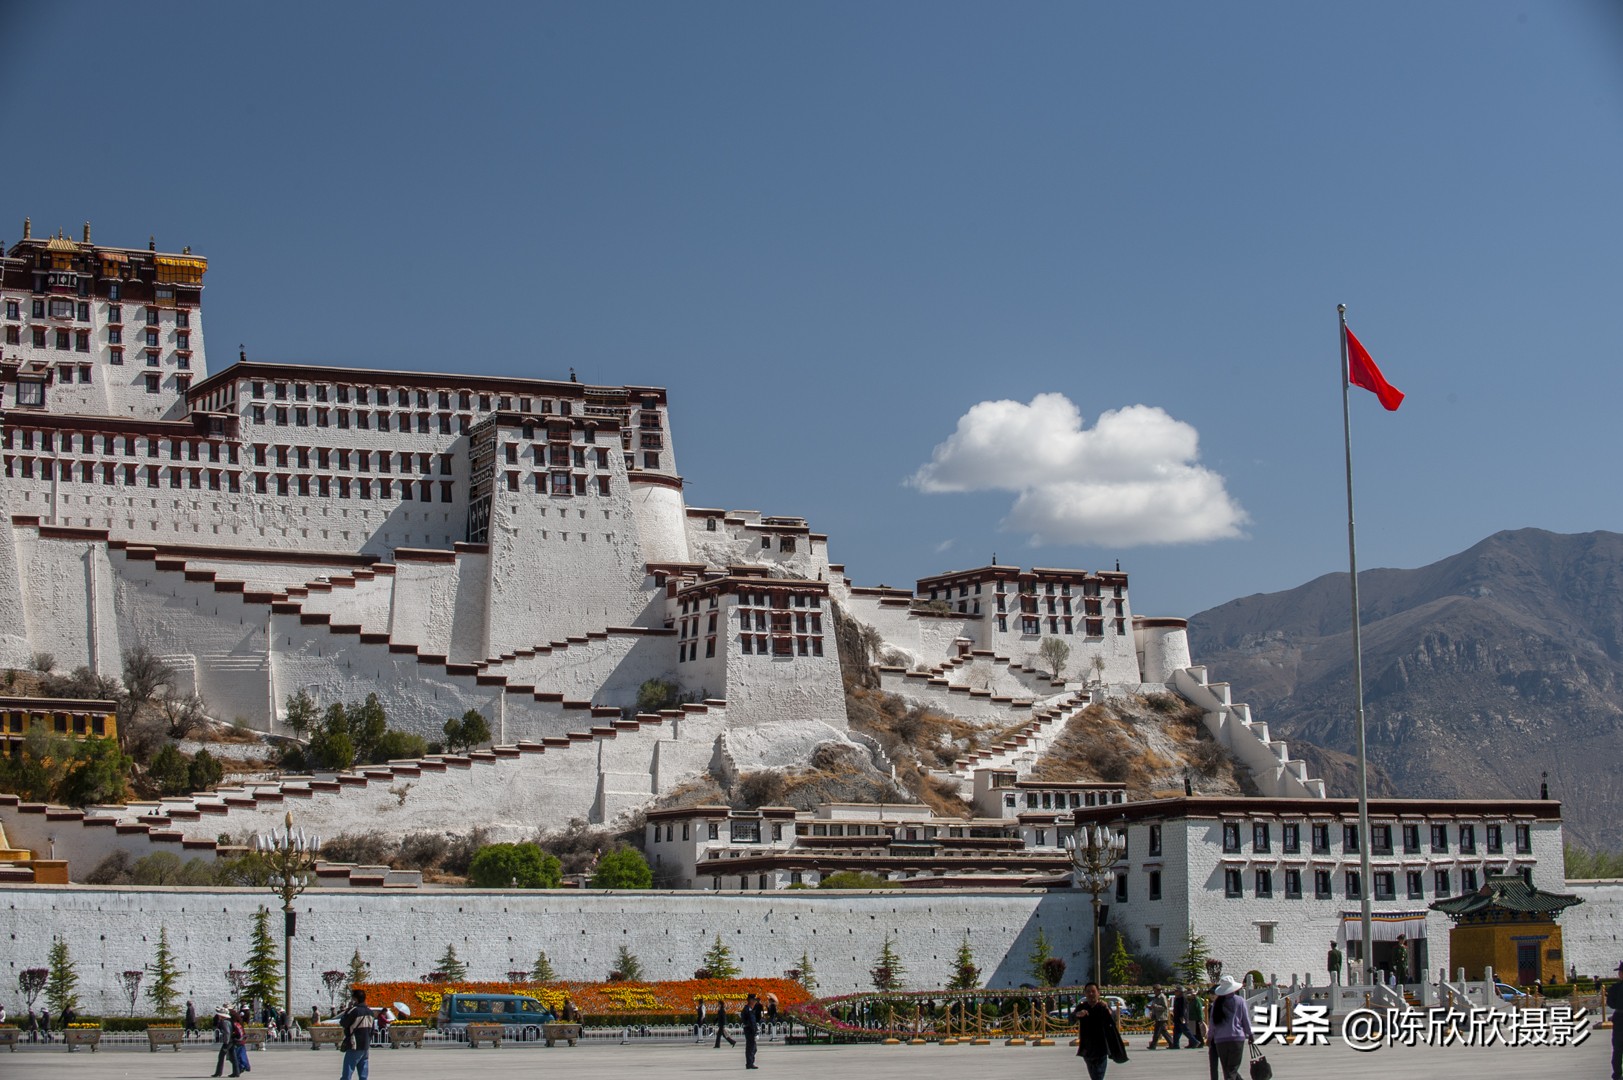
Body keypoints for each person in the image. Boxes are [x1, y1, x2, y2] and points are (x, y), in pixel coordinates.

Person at [1072, 981, 1127, 1080]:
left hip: (1101, 1048)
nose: (1091, 994)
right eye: (1088, 992)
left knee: (1098, 1076)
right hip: (1087, 1048)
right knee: (1094, 1076)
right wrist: (1078, 1014)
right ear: (1085, 993)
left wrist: (1108, 1010)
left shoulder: (1102, 1006)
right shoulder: (1082, 1006)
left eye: (1093, 991)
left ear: (1098, 993)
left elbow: (1113, 1018)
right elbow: (1071, 1019)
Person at [1206, 975, 1254, 1080]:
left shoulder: (1216, 1004)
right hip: (1236, 1039)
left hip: (1220, 1040)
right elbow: (1245, 1019)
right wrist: (1250, 1034)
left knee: (1228, 1069)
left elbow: (1212, 1023)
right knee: (1232, 1069)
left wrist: (1209, 1037)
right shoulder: (1240, 1001)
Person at [339, 988, 375, 1080]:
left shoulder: (354, 1011)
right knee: (363, 1075)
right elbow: (372, 1030)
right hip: (365, 1046)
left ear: (355, 999)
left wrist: (347, 1011)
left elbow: (343, 1022)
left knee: (347, 1073)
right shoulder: (370, 1012)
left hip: (354, 1045)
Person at [1607, 960, 1623, 1080]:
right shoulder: (1616, 987)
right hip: (1619, 1018)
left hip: (1619, 1017)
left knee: (1618, 1048)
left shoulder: (1615, 987)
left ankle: (1617, 1074)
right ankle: (1617, 1074)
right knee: (1617, 1048)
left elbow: (1611, 1003)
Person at [742, 992, 761, 1069]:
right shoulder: (747, 1009)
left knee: (753, 1048)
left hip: (751, 1030)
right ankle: (749, 1063)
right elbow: (750, 1022)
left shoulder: (750, 1009)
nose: (755, 1002)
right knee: (751, 1047)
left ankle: (750, 1062)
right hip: (749, 1030)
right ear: (750, 1000)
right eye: (754, 1000)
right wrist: (754, 1032)